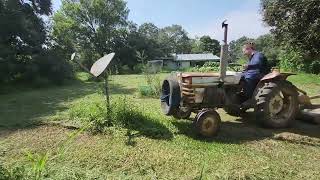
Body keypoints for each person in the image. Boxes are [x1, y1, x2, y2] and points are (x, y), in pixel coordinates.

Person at [241, 42, 270, 108]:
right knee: (239, 76)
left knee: (249, 77)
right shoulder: (251, 57)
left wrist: (248, 66)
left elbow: (258, 64)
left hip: (261, 73)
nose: (243, 53)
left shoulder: (258, 55)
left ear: (248, 49)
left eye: (244, 51)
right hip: (254, 73)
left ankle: (251, 98)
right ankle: (241, 95)